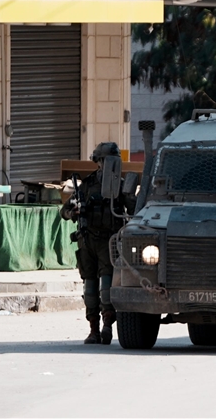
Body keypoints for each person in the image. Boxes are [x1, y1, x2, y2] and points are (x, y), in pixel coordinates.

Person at [60, 142, 130, 345]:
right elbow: (64, 211)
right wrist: (73, 211)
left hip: (109, 240)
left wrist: (129, 196)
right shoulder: (87, 184)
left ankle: (107, 325)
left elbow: (133, 210)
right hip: (87, 240)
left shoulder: (121, 184)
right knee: (89, 287)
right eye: (105, 160)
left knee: (106, 286)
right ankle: (94, 330)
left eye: (112, 161)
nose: (108, 164)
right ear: (98, 162)